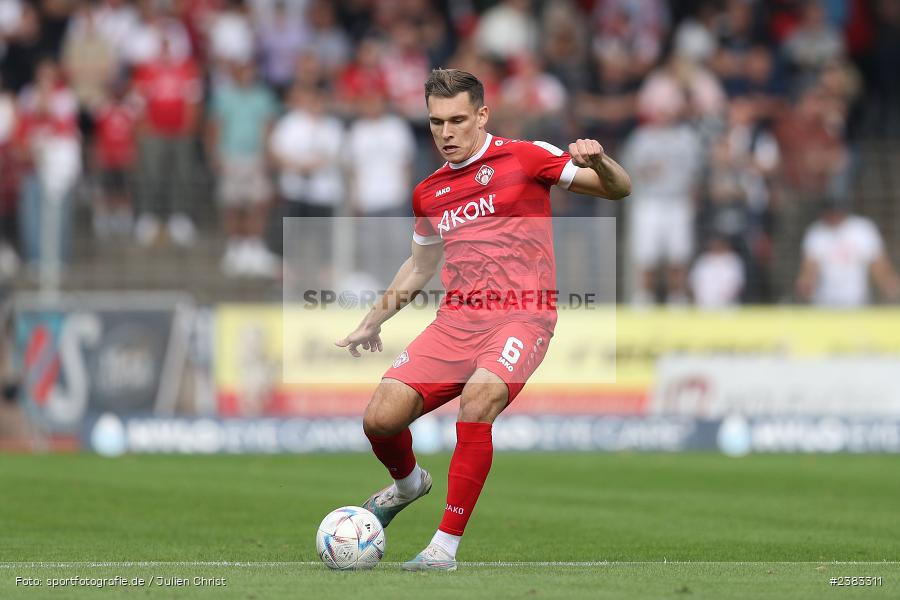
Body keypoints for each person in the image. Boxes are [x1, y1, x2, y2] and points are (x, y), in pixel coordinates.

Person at [335, 69, 630, 571]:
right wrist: (373, 320)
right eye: (435, 123)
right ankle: (408, 485)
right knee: (379, 419)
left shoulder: (525, 156)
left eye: (456, 120)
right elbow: (421, 265)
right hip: (456, 322)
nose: (445, 133)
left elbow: (618, 190)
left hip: (523, 315)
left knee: (479, 398)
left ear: (481, 115)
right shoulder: (428, 192)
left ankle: (442, 548)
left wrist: (600, 160)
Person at [795, 200, 900, 307]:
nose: (833, 217)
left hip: (856, 300)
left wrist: (888, 282)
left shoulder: (862, 229)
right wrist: (806, 283)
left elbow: (877, 263)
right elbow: (810, 266)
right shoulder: (816, 232)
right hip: (824, 301)